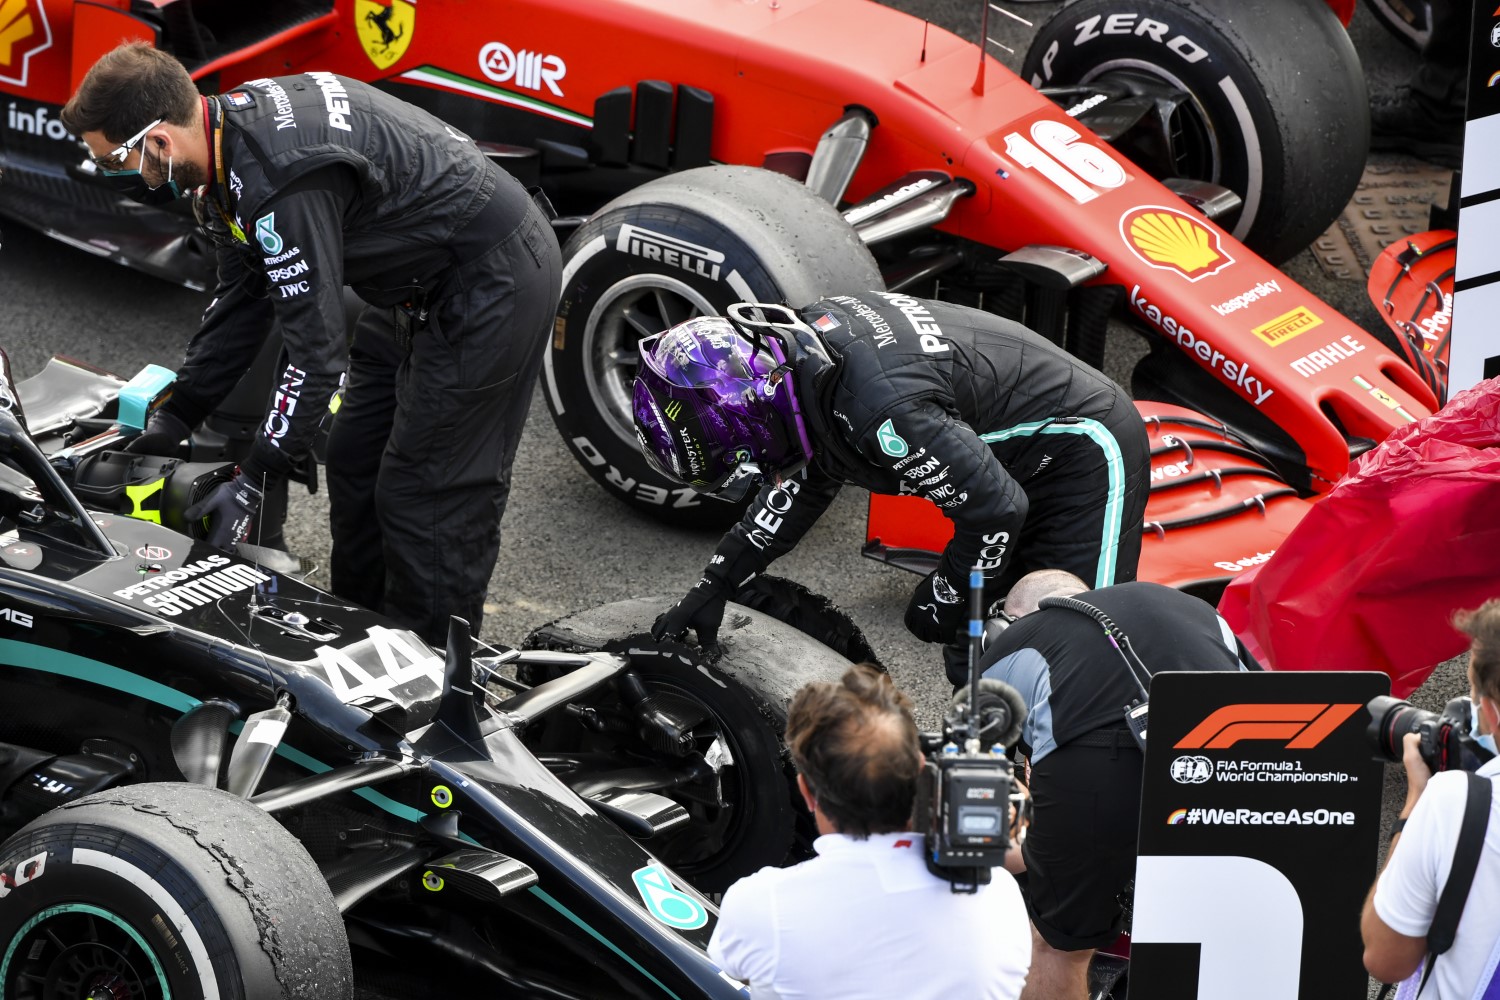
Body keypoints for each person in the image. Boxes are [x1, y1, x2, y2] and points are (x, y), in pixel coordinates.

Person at [62, 44, 561, 645]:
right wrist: (181, 414)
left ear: (160, 141)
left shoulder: (277, 183)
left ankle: (436, 682)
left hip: (490, 279)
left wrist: (255, 477)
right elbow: (242, 300)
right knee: (354, 458)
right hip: (412, 280)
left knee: (424, 493)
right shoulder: (224, 151)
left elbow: (315, 358)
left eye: (119, 163)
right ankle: (360, 637)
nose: (129, 180)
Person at [634, 294, 1150, 683]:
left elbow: (995, 510)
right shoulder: (794, 358)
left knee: (1070, 657)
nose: (755, 473)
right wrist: (717, 584)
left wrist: (947, 590)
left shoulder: (878, 411)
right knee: (976, 652)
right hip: (1007, 447)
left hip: (1082, 447)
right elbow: (804, 484)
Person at [976, 569, 1257, 1000]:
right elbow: (1268, 699)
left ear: (1003, 627)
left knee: (1059, 946)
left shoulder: (1011, 648)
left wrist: (1038, 848)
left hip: (1099, 763)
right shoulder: (1195, 609)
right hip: (1233, 752)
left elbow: (970, 816)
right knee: (1221, 925)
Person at [708, 662, 1032, 998]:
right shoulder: (998, 895)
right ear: (921, 770)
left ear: (807, 791)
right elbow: (1022, 839)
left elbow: (731, 972)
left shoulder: (760, 905)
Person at [1362, 599, 1500, 997]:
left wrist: (1416, 804)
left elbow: (1386, 959)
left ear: (1491, 710)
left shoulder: (1455, 803)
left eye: (1472, 695)